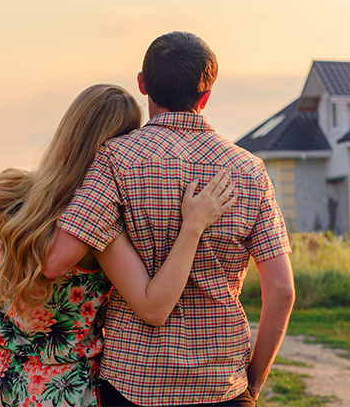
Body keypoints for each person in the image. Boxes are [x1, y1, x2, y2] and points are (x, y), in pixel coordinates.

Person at [43, 32, 296, 407]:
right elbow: (281, 290)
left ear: (143, 84)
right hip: (221, 382)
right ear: (206, 95)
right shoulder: (250, 171)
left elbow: (60, 258)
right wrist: (252, 385)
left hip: (133, 382)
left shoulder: (116, 159)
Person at [0, 84, 236, 407]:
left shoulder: (9, 196)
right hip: (63, 389)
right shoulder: (97, 232)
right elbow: (153, 306)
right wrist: (192, 227)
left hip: (0, 379)